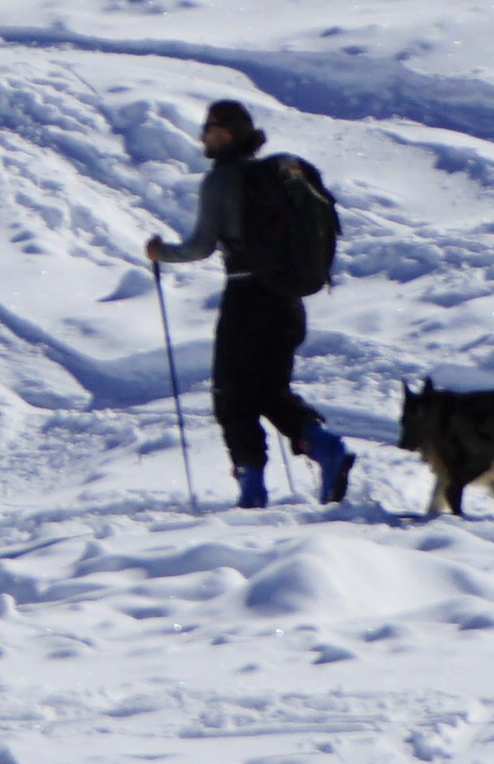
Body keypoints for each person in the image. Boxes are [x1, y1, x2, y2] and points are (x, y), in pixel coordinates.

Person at [141, 95, 351, 507]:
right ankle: (325, 447)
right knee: (272, 391)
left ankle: (252, 490)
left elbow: (202, 245)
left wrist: (161, 252)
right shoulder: (272, 178)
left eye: (208, 128)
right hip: (287, 299)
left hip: (246, 298)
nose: (202, 136)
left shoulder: (222, 179)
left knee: (232, 396)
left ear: (225, 133)